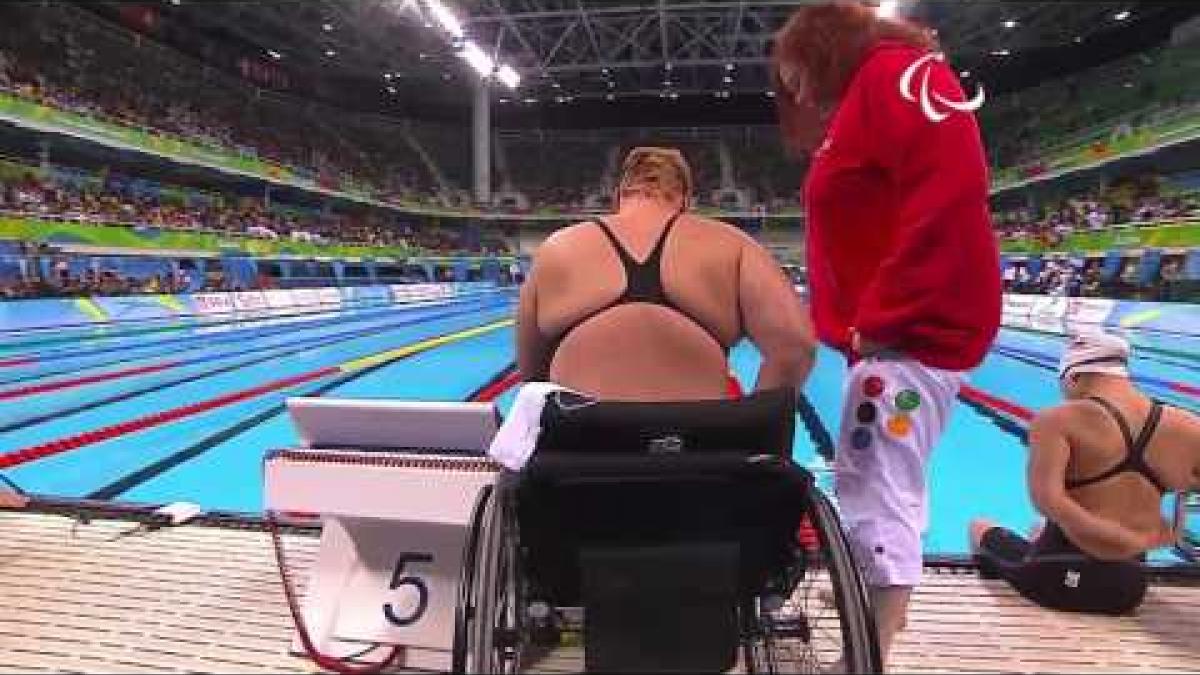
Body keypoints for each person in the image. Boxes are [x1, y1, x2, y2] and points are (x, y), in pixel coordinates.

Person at [772, 3, 1002, 665]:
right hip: (892, 336)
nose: (795, 90)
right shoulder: (869, 97)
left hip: (910, 334)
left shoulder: (903, 75)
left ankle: (871, 650)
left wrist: (883, 315)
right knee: (875, 480)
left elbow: (951, 195)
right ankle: (872, 641)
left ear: (821, 47)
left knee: (877, 485)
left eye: (794, 71)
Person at [516, 146, 815, 401]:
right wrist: (755, 430)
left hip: (575, 454)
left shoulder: (557, 248)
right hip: (697, 451)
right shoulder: (730, 244)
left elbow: (531, 375)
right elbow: (796, 347)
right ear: (685, 199)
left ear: (619, 196)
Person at [970, 332, 1200, 614]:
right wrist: (1168, 533)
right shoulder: (1188, 426)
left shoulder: (1056, 420)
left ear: (1073, 377)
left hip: (1056, 581)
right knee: (1039, 529)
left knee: (979, 527)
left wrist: (1111, 537)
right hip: (1128, 588)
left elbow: (1047, 501)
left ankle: (998, 612)